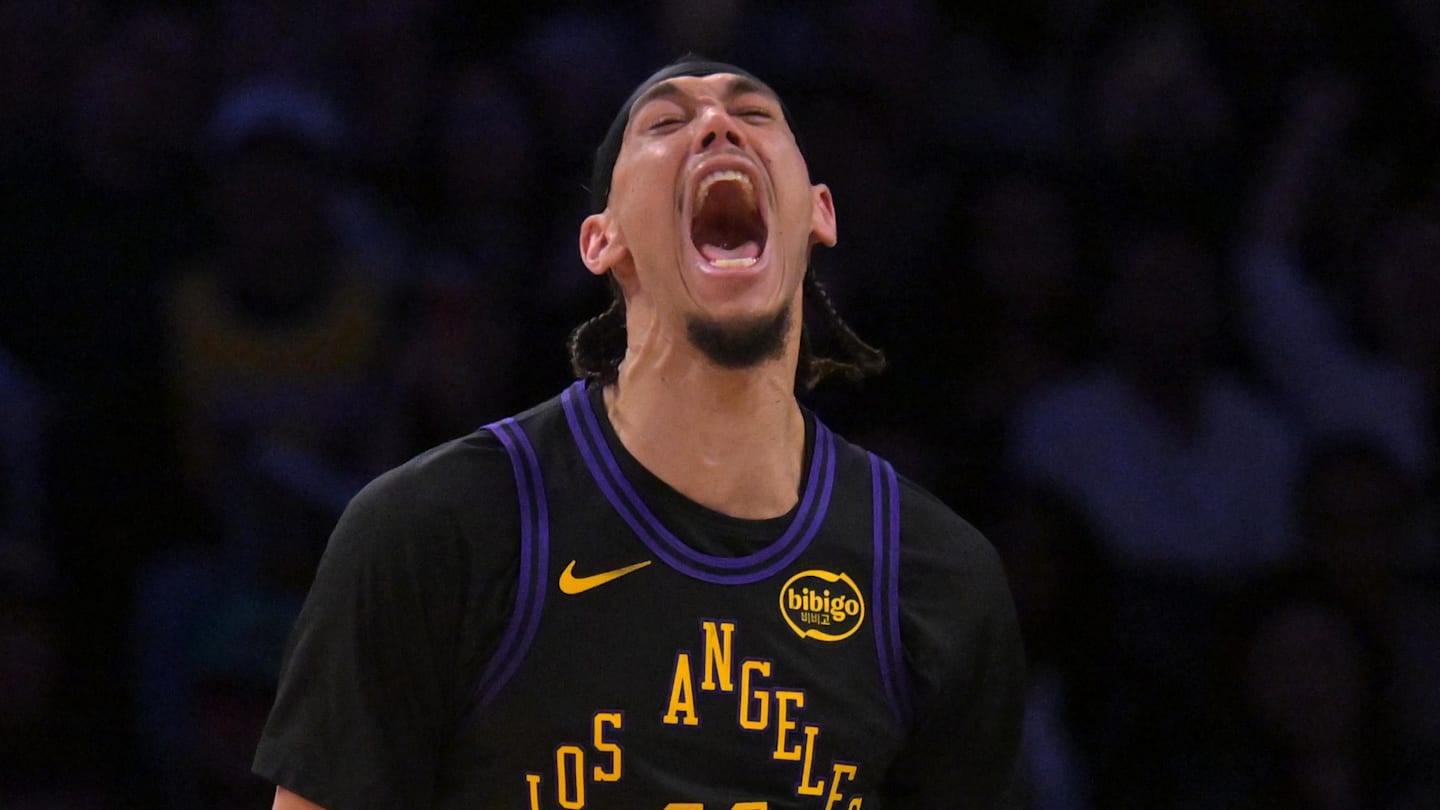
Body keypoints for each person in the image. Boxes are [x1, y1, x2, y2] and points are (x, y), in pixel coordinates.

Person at [253, 57, 1025, 809]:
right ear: (602, 240)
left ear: (819, 212)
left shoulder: (938, 579)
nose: (720, 127)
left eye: (756, 116)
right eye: (666, 123)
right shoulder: (435, 528)